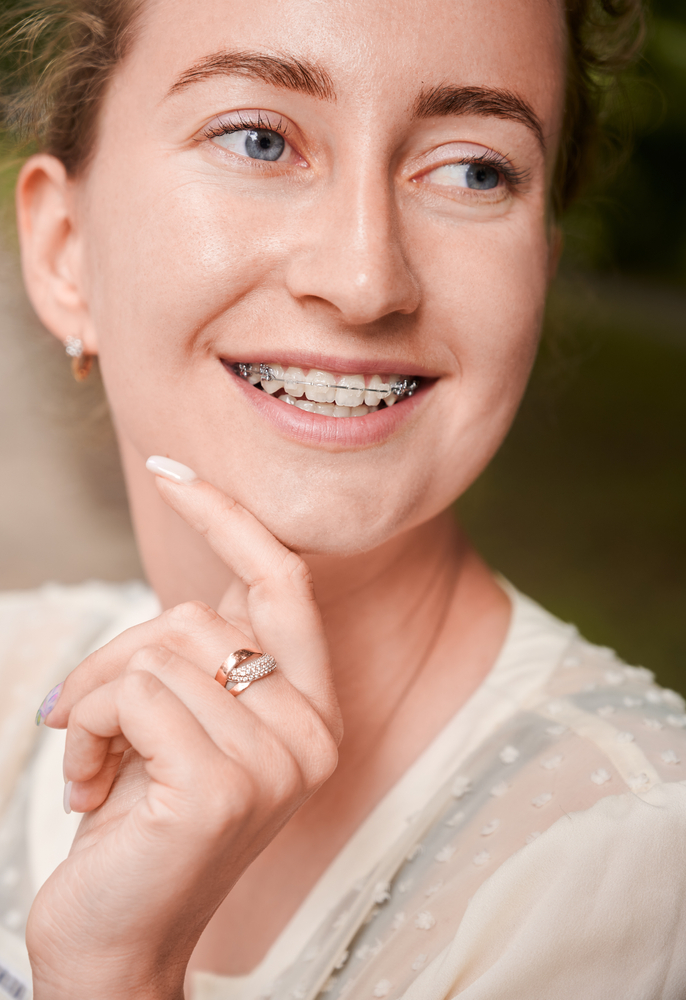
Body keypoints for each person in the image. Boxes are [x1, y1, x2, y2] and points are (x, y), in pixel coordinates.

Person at [1, 0, 685, 997]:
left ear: (538, 266)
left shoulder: (633, 864)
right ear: (64, 250)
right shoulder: (13, 673)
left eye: (473, 170)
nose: (366, 280)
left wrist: (113, 972)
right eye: (258, 140)